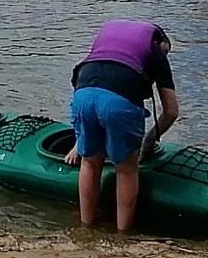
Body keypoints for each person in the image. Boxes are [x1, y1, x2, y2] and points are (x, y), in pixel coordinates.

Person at [62, 19, 179, 233]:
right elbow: (171, 111)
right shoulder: (157, 50)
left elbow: (91, 90)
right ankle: (122, 232)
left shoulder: (106, 43)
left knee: (89, 163)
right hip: (118, 102)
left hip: (82, 92)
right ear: (161, 43)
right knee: (125, 169)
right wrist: (150, 140)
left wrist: (81, 141)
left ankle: (86, 226)